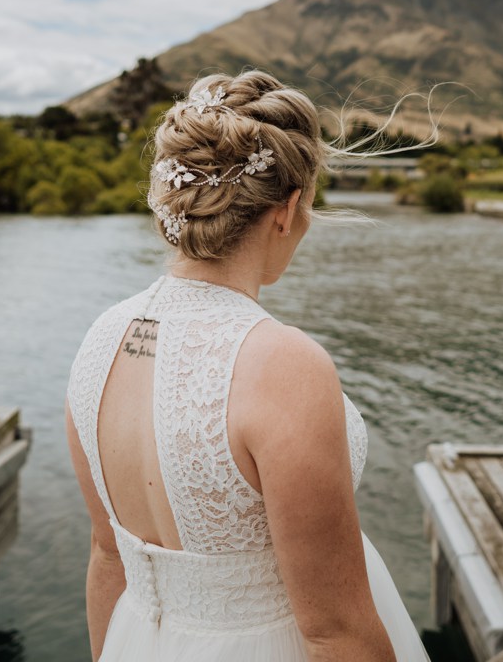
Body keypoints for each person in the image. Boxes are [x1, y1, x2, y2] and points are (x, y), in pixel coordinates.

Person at [65, 71, 430, 661]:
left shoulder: (101, 340)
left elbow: (107, 556)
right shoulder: (283, 364)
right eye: (309, 206)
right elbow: (334, 631)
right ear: (287, 210)